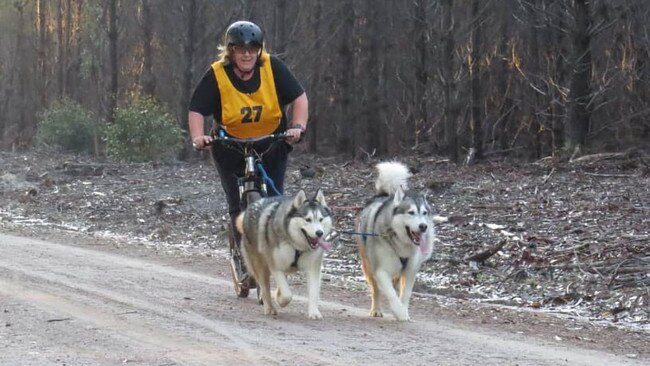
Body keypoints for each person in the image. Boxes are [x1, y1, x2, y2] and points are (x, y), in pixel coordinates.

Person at [188, 20, 308, 287]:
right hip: (230, 146)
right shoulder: (217, 74)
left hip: (271, 143)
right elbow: (197, 109)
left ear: (259, 50)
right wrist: (199, 137)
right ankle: (242, 260)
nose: (246, 54)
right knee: (236, 203)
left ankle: (280, 254)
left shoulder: (273, 67)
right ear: (230, 51)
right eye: (240, 49)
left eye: (252, 48)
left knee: (275, 200)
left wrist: (297, 126)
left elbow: (299, 98)